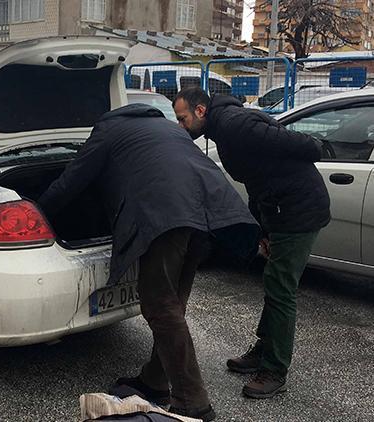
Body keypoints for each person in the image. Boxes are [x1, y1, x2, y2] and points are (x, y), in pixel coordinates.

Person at [37, 103, 260, 422]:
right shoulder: (167, 127)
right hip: (206, 213)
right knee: (173, 303)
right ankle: (155, 380)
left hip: (166, 215)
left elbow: (71, 181)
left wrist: (37, 211)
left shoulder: (107, 131)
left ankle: (191, 400)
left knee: (160, 305)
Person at [172, 87, 331, 399]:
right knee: (274, 282)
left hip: (300, 209)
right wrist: (262, 228)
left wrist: (316, 146)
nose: (181, 125)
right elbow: (257, 181)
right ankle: (264, 350)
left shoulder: (235, 125)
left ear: (201, 111)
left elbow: (302, 145)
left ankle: (274, 370)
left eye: (182, 119)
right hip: (279, 210)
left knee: (281, 287)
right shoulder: (223, 129)